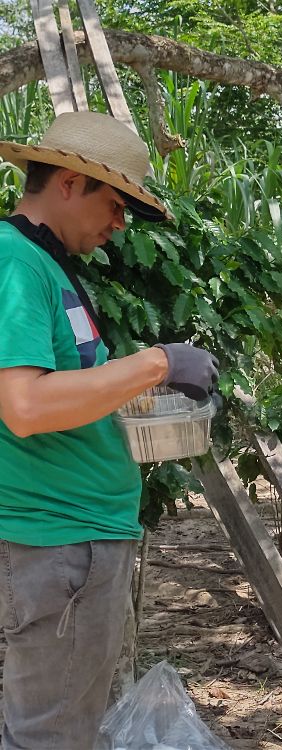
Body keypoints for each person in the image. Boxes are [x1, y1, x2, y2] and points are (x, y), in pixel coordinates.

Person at [0, 111, 218, 749]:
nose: (120, 225)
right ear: (69, 183)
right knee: (50, 736)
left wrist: (137, 390)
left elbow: (60, 391)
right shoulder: (16, 264)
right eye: (116, 204)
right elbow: (24, 406)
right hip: (56, 539)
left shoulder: (45, 263)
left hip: (73, 537)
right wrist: (156, 362)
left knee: (61, 725)